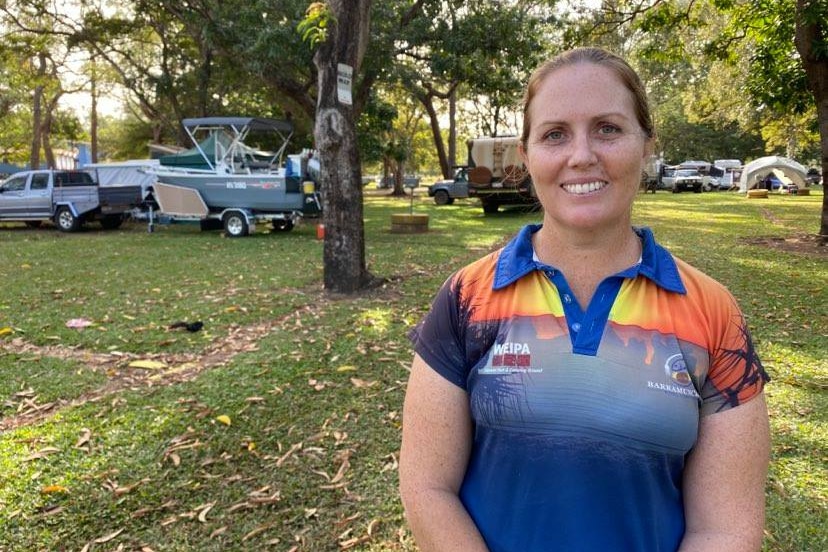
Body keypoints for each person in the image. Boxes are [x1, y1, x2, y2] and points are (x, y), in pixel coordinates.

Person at [399, 47, 770, 552]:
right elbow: (428, 487)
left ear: (646, 145)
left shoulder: (713, 311)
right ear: (526, 157)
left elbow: (725, 528)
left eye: (608, 129)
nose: (581, 156)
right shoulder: (467, 298)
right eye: (555, 134)